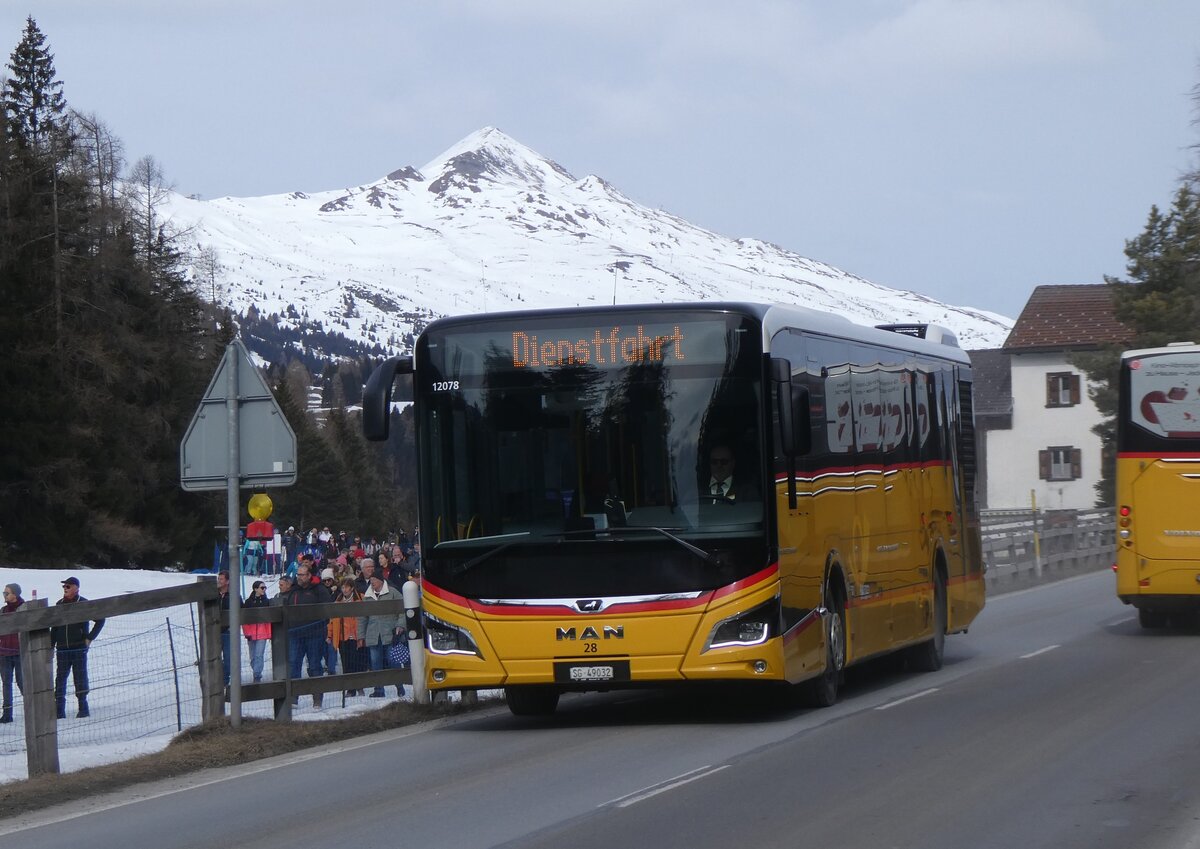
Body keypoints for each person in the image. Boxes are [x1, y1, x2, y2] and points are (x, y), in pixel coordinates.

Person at [51, 576, 105, 719]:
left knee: (80, 676)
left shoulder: (83, 603)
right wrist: (51, 645)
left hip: (78, 648)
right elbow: (54, 627)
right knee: (60, 678)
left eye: (68, 586)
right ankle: (59, 709)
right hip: (62, 648)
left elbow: (100, 619)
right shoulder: (59, 604)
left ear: (76, 588)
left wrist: (89, 637)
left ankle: (83, 706)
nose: (65, 589)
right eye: (64, 587)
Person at [285, 561, 332, 708]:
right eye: (298, 574)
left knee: (314, 666)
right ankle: (293, 697)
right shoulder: (293, 590)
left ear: (309, 575)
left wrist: (321, 623)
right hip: (295, 634)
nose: (299, 577)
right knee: (293, 665)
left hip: (314, 633)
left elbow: (327, 609)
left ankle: (317, 698)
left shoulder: (319, 589)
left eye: (302, 575)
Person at [356, 565, 404, 698]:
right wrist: (361, 636)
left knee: (393, 661)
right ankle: (379, 690)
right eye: (370, 580)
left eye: (374, 580)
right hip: (373, 634)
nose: (372, 582)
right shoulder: (367, 596)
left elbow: (402, 611)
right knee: (375, 663)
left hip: (390, 633)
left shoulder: (393, 592)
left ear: (381, 581)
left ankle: (400, 686)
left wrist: (400, 625)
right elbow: (362, 618)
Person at [329, 578, 363, 696]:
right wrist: (330, 634)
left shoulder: (359, 599)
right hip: (342, 636)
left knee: (357, 662)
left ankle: (358, 685)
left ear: (352, 588)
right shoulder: (337, 602)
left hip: (355, 635)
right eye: (343, 587)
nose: (345, 589)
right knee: (345, 662)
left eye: (347, 587)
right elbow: (332, 621)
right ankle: (350, 688)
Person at [1, 583, 25, 723]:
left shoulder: (24, 609)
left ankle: (31, 707)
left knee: (22, 682)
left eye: (7, 593)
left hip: (20, 653)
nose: (4, 595)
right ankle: (7, 713)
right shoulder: (3, 610)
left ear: (15, 594)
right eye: (4, 593)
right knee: (6, 684)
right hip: (4, 654)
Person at [243, 579, 272, 683]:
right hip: (251, 633)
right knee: (253, 657)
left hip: (262, 633)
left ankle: (257, 675)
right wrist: (246, 633)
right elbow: (244, 619)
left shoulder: (267, 602)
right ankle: (256, 671)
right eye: (262, 587)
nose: (264, 589)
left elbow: (269, 619)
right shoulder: (248, 602)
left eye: (265, 587)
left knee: (259, 655)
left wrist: (269, 634)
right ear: (255, 589)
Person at [216, 570, 234, 686]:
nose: (219, 581)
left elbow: (241, 611)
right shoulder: (213, 595)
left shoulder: (233, 596)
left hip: (228, 632)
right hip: (214, 631)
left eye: (221, 579)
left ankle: (225, 681)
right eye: (219, 578)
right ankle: (215, 679)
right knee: (214, 658)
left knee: (228, 658)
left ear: (227, 581)